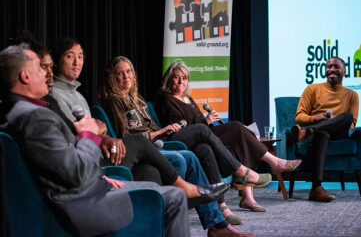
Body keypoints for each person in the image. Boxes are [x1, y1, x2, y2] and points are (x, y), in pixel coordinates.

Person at [47, 38, 256, 236]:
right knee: (190, 148)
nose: (126, 77)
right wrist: (160, 131)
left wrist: (99, 131)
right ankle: (238, 176)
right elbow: (113, 134)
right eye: (69, 56)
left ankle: (217, 220)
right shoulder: (105, 100)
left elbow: (96, 130)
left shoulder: (127, 100)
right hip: (129, 150)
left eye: (81, 56)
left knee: (201, 151)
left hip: (148, 144)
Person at [0, 44, 190, 237]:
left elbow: (53, 164)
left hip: (79, 190)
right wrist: (88, 135)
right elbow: (77, 173)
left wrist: (100, 177)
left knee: (154, 185)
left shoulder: (17, 112)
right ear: (25, 76)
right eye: (40, 68)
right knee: (175, 196)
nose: (46, 73)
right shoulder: (34, 117)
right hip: (77, 207)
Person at [97, 56, 273, 226]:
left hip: (159, 140)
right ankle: (240, 171)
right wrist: (163, 130)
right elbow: (126, 138)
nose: (126, 76)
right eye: (120, 73)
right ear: (113, 77)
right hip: (154, 143)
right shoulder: (115, 101)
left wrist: (163, 131)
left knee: (204, 149)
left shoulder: (138, 99)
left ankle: (219, 215)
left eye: (128, 72)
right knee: (207, 132)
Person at [155, 61, 302, 212]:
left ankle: (247, 197)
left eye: (184, 78)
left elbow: (200, 124)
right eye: (176, 77)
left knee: (238, 143)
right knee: (236, 127)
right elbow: (181, 126)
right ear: (169, 79)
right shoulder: (167, 99)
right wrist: (206, 121)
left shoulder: (188, 99)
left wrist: (208, 120)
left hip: (205, 133)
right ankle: (272, 163)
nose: (181, 82)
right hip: (191, 137)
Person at [289, 56, 359, 202]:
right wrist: (316, 118)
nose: (332, 70)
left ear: (344, 71)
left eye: (336, 67)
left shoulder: (352, 95)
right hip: (319, 134)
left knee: (346, 116)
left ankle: (308, 130)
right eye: (329, 67)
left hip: (339, 133)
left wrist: (334, 121)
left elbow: (351, 123)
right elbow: (299, 117)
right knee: (322, 134)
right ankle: (316, 189)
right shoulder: (312, 89)